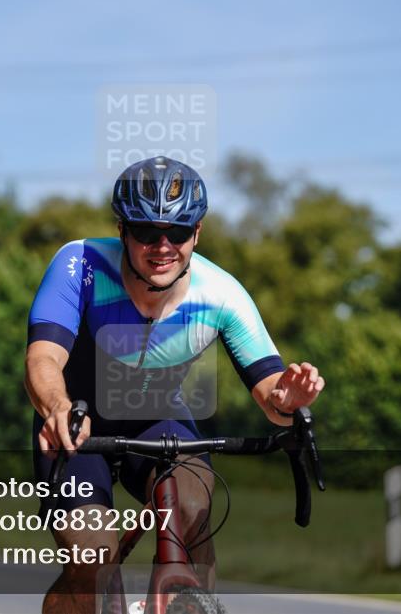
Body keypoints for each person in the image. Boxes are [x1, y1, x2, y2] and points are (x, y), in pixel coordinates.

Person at [25, 156, 325, 614]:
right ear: (122, 230)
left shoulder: (220, 293)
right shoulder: (81, 264)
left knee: (191, 509)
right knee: (94, 553)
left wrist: (285, 401)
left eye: (178, 233)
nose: (163, 246)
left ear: (197, 233)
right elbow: (44, 358)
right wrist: (56, 406)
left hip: (160, 418)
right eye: (146, 232)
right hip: (78, 421)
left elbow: (271, 391)